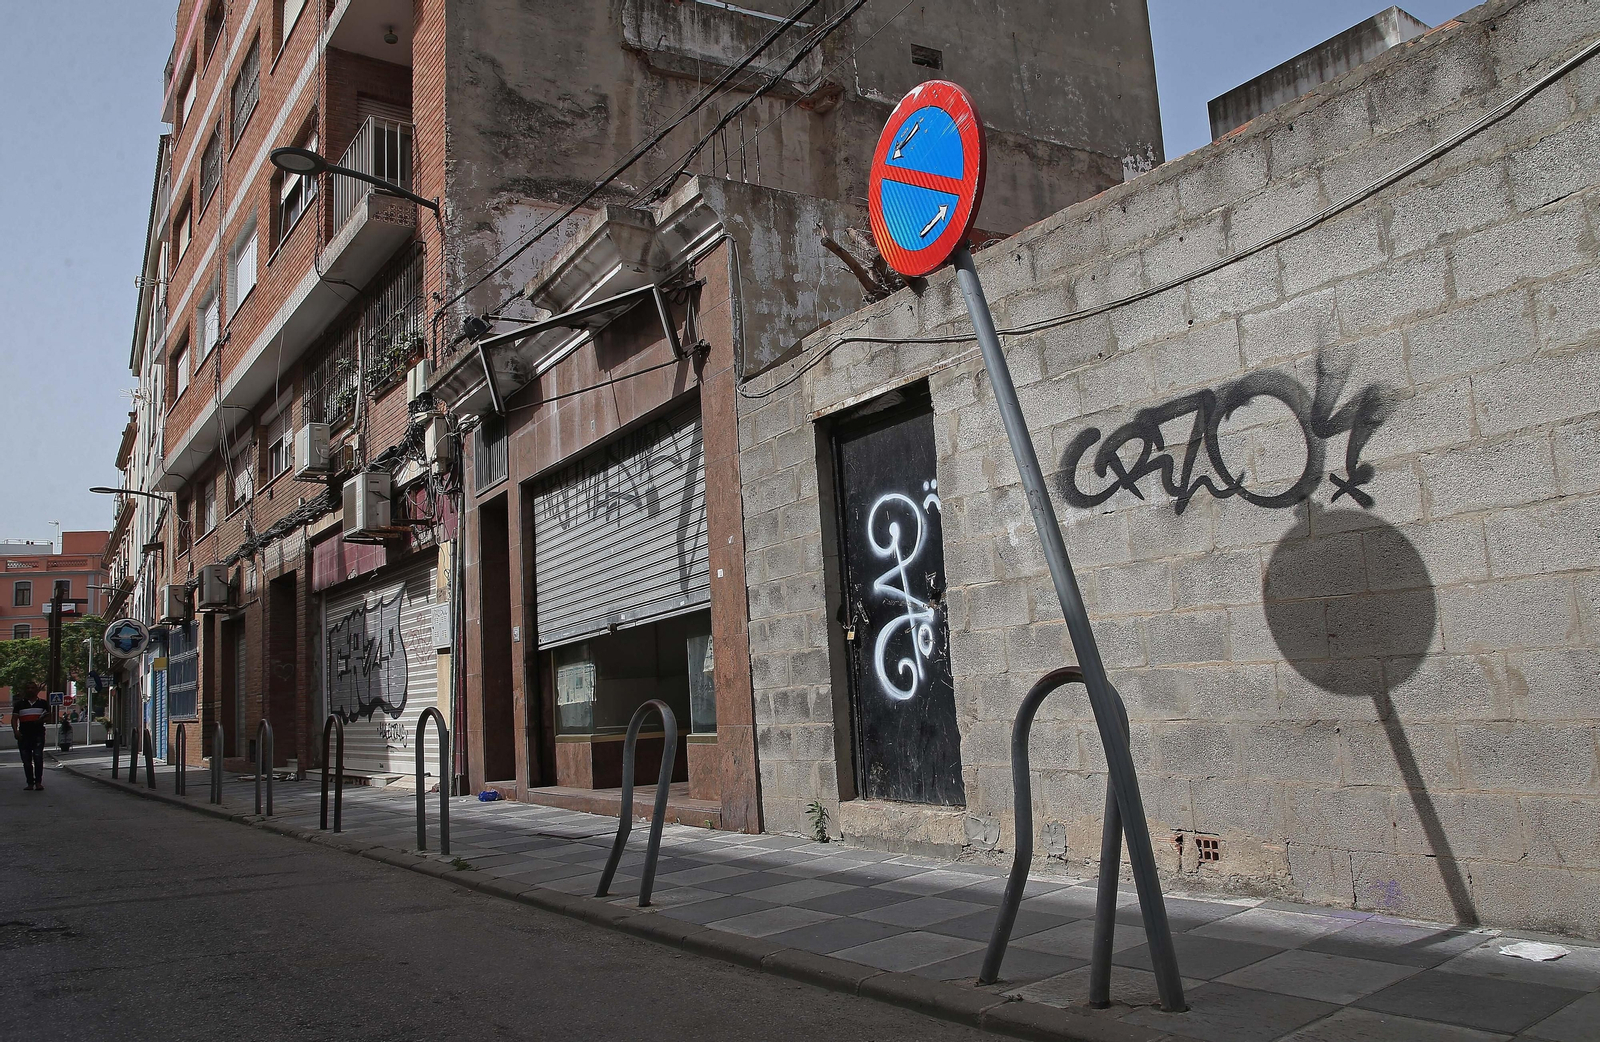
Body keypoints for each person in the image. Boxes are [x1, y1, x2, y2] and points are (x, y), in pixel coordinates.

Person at [11, 682, 49, 791]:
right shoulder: (19, 704)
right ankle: (29, 783)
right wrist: (16, 731)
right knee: (26, 761)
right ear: (25, 690)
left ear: (36, 690)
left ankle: (38, 782)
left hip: (38, 735)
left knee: (38, 758)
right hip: (24, 736)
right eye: (28, 688)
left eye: (33, 688)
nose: (30, 690)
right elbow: (14, 719)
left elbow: (49, 717)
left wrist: (41, 720)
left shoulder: (42, 703)